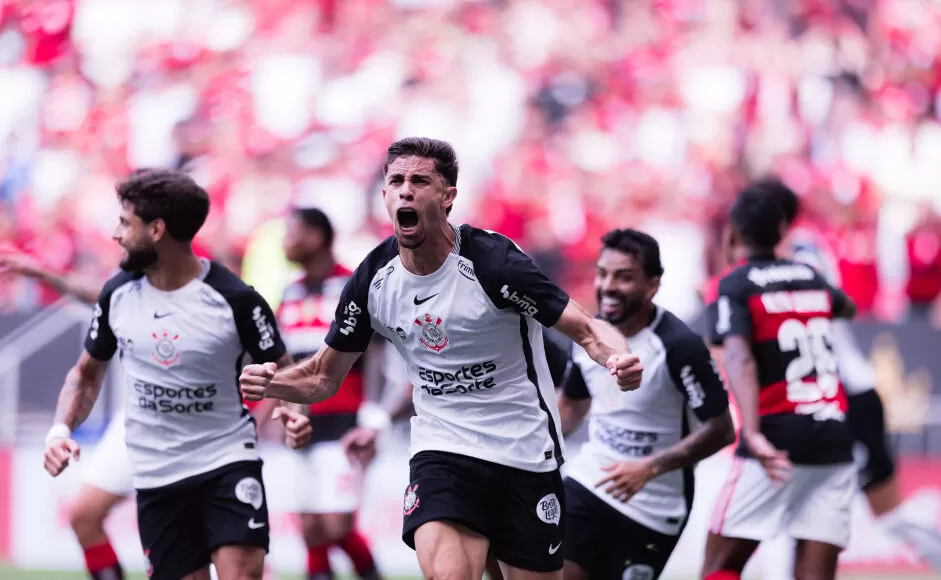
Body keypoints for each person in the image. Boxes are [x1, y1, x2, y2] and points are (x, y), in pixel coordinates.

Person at [239, 136, 644, 580]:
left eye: (420, 180)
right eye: (396, 181)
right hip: (442, 449)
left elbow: (585, 326)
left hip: (523, 451)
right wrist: (270, 382)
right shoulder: (374, 278)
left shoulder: (495, 262)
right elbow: (322, 375)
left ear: (448, 196)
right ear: (385, 196)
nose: (406, 190)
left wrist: (616, 358)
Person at [42, 168, 312, 580]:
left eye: (124, 223)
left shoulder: (236, 299)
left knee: (242, 573)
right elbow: (86, 375)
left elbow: (290, 372)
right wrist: (60, 431)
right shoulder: (118, 295)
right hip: (156, 472)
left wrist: (295, 411)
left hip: (225, 460)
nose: (116, 234)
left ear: (156, 230)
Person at [764, 180, 941, 571]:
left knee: (888, 516)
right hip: (817, 399)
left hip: (845, 397)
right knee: (786, 515)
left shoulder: (802, 252)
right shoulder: (777, 257)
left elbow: (814, 306)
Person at [556, 229, 735, 580]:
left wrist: (649, 468)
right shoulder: (586, 333)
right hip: (589, 482)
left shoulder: (679, 346)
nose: (608, 286)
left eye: (624, 277)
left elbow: (722, 429)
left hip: (654, 507)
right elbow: (571, 405)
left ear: (652, 285)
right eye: (603, 274)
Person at [701, 185, 857, 580]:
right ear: (782, 233)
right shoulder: (812, 277)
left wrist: (750, 432)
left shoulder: (734, 284)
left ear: (732, 234)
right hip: (832, 433)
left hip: (775, 435)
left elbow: (738, 355)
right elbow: (847, 306)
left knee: (721, 566)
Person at [278, 206, 411, 580]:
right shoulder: (289, 293)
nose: (285, 241)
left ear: (316, 236)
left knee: (337, 525)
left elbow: (380, 356)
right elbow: (284, 363)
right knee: (310, 529)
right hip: (303, 426)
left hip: (346, 425)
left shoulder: (352, 286)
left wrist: (373, 414)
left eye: (292, 231)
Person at [0, 253, 129, 580]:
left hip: (189, 431)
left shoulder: (195, 289)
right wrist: (44, 270)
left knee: (185, 544)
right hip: (137, 422)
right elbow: (96, 293)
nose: (118, 236)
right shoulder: (128, 290)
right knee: (84, 517)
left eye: (127, 222)